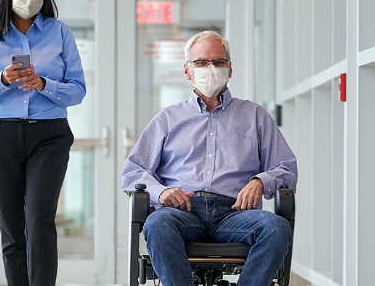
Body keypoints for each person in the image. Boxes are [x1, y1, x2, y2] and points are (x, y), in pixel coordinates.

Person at [119, 31, 297, 286]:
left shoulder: (255, 116)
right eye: (201, 62)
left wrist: (260, 181)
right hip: (183, 212)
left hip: (236, 214)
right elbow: (132, 172)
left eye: (218, 62)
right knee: (157, 223)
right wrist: (162, 192)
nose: (211, 69)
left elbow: (287, 167)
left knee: (277, 228)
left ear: (230, 69)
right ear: (187, 71)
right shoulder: (168, 119)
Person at [0, 0, 86, 285]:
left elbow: (78, 90)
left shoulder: (60, 33)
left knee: (39, 221)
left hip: (49, 136)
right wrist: (1, 80)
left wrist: (45, 84)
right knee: (12, 229)